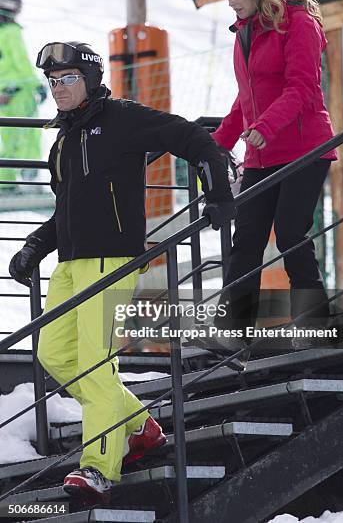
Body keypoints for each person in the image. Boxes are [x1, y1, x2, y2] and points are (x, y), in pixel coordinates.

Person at [8, 41, 235, 498]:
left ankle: (99, 468)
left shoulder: (122, 119)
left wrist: (214, 180)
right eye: (53, 82)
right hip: (71, 263)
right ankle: (139, 425)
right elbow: (67, 208)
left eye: (68, 79)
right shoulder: (66, 137)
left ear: (90, 80)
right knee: (54, 354)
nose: (59, 89)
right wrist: (36, 244)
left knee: (94, 362)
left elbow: (187, 136)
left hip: (111, 261)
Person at [210, 0, 337, 350]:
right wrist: (215, 143)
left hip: (303, 147)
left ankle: (314, 328)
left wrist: (265, 127)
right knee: (246, 238)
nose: (230, 2)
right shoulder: (245, 31)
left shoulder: (299, 23)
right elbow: (244, 99)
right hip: (261, 155)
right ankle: (232, 331)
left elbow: (301, 88)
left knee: (290, 232)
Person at [0, 0, 46, 188]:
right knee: (28, 135)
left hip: (3, 95)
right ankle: (29, 181)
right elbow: (22, 63)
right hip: (19, 92)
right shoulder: (11, 32)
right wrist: (36, 85)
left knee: (7, 138)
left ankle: (6, 184)